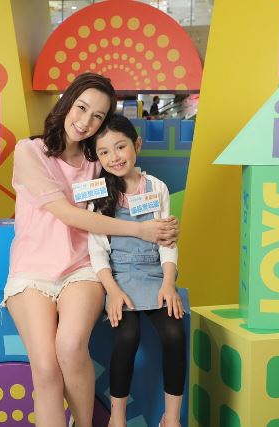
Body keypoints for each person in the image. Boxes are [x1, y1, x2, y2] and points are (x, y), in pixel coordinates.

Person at [3, 73, 178, 427]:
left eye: (97, 116)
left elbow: (133, 186)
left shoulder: (97, 161)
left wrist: (163, 223)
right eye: (82, 108)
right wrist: (140, 230)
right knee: (46, 368)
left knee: (70, 347)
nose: (85, 122)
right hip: (32, 273)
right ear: (68, 102)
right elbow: (67, 213)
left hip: (83, 268)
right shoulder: (29, 151)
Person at [86, 114, 186, 427]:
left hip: (155, 273)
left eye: (121, 147)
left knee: (174, 334)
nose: (114, 157)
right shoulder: (96, 193)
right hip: (119, 277)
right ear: (97, 157)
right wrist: (112, 292)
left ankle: (171, 418)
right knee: (127, 336)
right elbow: (97, 251)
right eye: (104, 152)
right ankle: (117, 418)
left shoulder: (157, 187)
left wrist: (168, 283)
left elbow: (167, 241)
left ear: (137, 145)